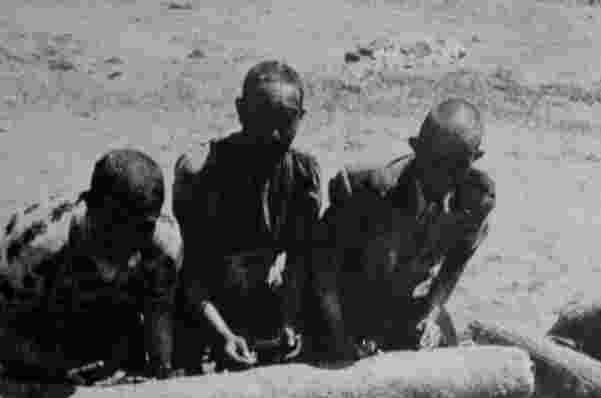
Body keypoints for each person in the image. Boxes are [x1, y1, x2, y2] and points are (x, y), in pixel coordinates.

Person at [307, 97, 496, 363]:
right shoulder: (369, 187)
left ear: (475, 159)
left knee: (445, 366)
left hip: (401, 307)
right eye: (435, 162)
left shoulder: (476, 199)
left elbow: (454, 266)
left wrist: (431, 314)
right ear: (417, 148)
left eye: (458, 165)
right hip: (342, 303)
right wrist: (338, 334)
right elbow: (322, 264)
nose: (444, 176)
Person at [0, 149, 182, 384]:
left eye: (143, 228)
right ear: (91, 207)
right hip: (39, 316)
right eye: (118, 226)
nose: (131, 241)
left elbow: (159, 309)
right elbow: (0, 313)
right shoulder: (38, 244)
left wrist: (160, 371)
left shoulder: (163, 244)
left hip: (108, 308)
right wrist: (45, 370)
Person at [172, 60, 322, 371]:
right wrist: (223, 334)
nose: (275, 134)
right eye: (263, 119)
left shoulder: (303, 175)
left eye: (287, 121)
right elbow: (191, 275)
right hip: (207, 308)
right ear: (241, 111)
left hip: (266, 303)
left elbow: (298, 260)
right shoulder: (202, 173)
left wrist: (290, 321)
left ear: (302, 118)